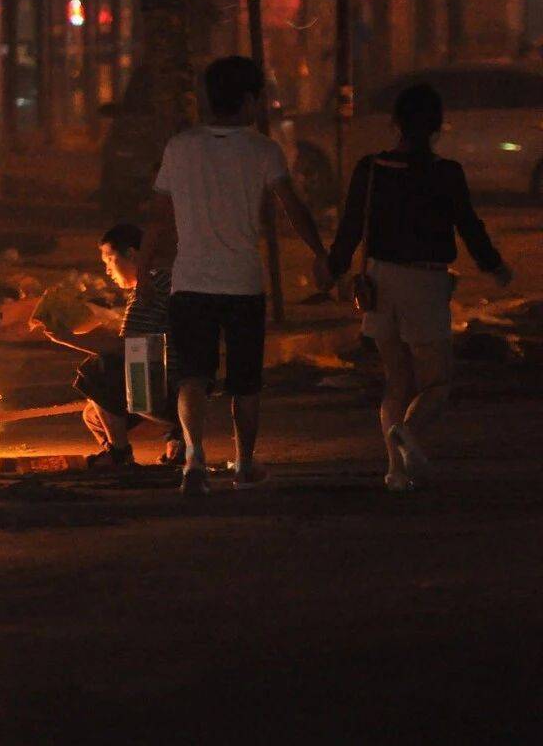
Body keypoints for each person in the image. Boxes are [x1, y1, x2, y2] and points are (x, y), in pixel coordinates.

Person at [145, 55, 333, 496]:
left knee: (192, 376)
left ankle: (194, 463)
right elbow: (294, 208)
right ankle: (244, 465)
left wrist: (143, 266)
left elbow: (157, 214)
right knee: (245, 382)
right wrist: (321, 253)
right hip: (243, 284)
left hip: (189, 283)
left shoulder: (180, 147)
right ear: (249, 99)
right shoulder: (263, 150)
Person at [327, 83, 512, 492]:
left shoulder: (370, 169)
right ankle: (407, 434)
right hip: (424, 281)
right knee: (436, 382)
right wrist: (494, 266)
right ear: (436, 128)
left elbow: (350, 229)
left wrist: (333, 270)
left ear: (396, 125)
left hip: (378, 282)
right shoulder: (446, 173)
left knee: (396, 380)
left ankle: (395, 472)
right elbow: (468, 225)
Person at [39, 223, 184, 468]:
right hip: (188, 388)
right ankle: (178, 440)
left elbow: (124, 349)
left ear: (131, 255)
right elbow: (136, 342)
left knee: (97, 370)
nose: (107, 270)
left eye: (109, 260)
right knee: (94, 416)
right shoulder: (167, 278)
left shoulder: (148, 288)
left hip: (167, 393)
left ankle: (119, 453)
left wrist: (67, 338)